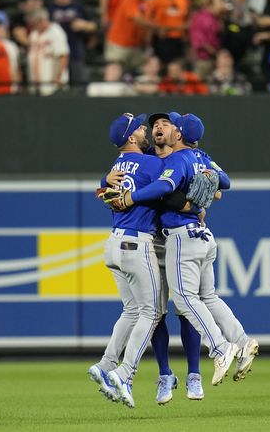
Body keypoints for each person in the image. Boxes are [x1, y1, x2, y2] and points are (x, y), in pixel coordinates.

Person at [111, 113, 259, 387]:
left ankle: (220, 348)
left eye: (168, 124)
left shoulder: (177, 159)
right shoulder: (197, 157)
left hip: (181, 236)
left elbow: (165, 187)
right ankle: (242, 341)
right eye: (156, 125)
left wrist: (131, 196)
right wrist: (206, 184)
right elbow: (224, 182)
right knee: (208, 297)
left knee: (183, 300)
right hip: (202, 236)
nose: (159, 127)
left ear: (178, 134)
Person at [87, 113, 164, 408]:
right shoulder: (151, 163)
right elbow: (174, 177)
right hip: (136, 241)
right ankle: (125, 372)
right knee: (152, 312)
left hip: (113, 243)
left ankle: (106, 365)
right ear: (131, 138)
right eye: (141, 128)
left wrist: (103, 181)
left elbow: (103, 188)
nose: (145, 130)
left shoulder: (116, 166)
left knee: (132, 310)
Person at [48, 0, 96, 86]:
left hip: (75, 51)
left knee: (79, 85)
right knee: (56, 86)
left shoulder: (78, 7)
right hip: (56, 54)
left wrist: (85, 25)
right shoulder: (50, 9)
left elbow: (94, 26)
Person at [105, 0, 153, 71]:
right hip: (118, 43)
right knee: (114, 70)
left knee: (136, 71)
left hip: (135, 45)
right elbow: (138, 20)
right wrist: (158, 27)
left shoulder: (146, 2)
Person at [22, 8, 69, 96]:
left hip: (52, 84)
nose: (34, 25)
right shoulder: (34, 34)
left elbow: (63, 55)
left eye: (35, 23)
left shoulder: (56, 31)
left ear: (42, 20)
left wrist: (58, 77)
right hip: (36, 83)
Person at [147, 0, 189, 65]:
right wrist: (156, 30)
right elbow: (149, 18)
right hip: (163, 37)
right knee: (162, 63)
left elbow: (186, 16)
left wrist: (185, 27)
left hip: (178, 37)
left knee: (176, 63)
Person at [188, 0, 222, 80]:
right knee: (201, 85)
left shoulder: (214, 18)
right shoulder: (200, 17)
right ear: (209, 5)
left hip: (213, 58)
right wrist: (216, 54)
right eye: (217, 3)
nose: (220, 5)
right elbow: (200, 41)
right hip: (203, 59)